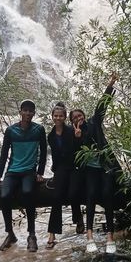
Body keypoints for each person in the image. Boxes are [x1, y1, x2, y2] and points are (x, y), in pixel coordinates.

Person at [0, 99, 47, 252]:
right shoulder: (11, 131)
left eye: (30, 111)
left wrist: (40, 173)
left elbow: (44, 152)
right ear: (20, 112)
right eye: (25, 110)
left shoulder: (39, 130)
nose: (27, 113)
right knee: (4, 196)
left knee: (28, 193)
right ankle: (10, 234)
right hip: (13, 171)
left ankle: (32, 235)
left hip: (29, 171)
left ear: (34, 113)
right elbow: (4, 154)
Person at [70, 73, 120, 254]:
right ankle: (89, 236)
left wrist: (110, 84)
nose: (78, 118)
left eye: (79, 115)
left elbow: (101, 106)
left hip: (105, 167)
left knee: (107, 195)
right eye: (74, 117)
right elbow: (75, 156)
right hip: (90, 170)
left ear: (84, 115)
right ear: (72, 121)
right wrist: (76, 139)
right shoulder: (74, 134)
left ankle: (109, 237)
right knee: (91, 195)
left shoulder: (94, 122)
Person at [46, 103, 84, 249]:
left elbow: (78, 149)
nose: (58, 118)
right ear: (52, 117)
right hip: (61, 168)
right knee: (56, 197)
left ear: (64, 117)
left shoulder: (71, 131)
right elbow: (55, 155)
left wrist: (78, 137)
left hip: (73, 166)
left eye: (61, 116)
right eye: (56, 116)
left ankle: (78, 218)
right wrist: (55, 171)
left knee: (73, 193)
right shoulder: (51, 135)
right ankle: (52, 233)